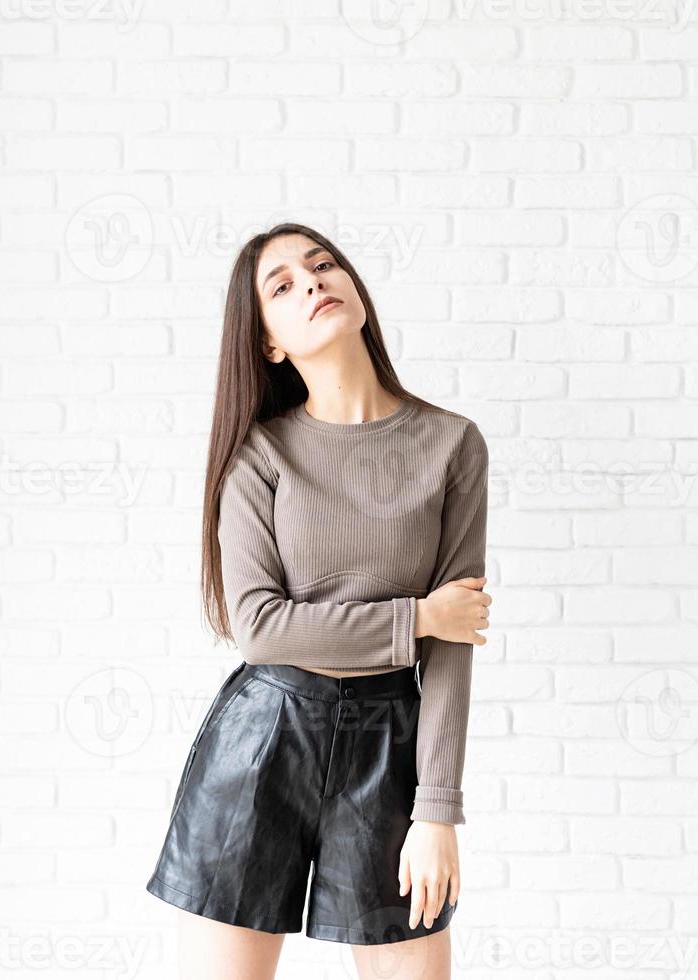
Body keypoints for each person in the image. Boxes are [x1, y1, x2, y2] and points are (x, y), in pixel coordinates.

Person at [145, 222, 491, 980]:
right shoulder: (260, 455)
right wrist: (417, 617)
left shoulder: (452, 445)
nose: (313, 283)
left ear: (355, 287)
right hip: (263, 744)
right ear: (269, 342)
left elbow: (453, 644)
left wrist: (437, 810)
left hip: (391, 752)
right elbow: (262, 630)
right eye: (284, 286)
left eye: (323, 265)